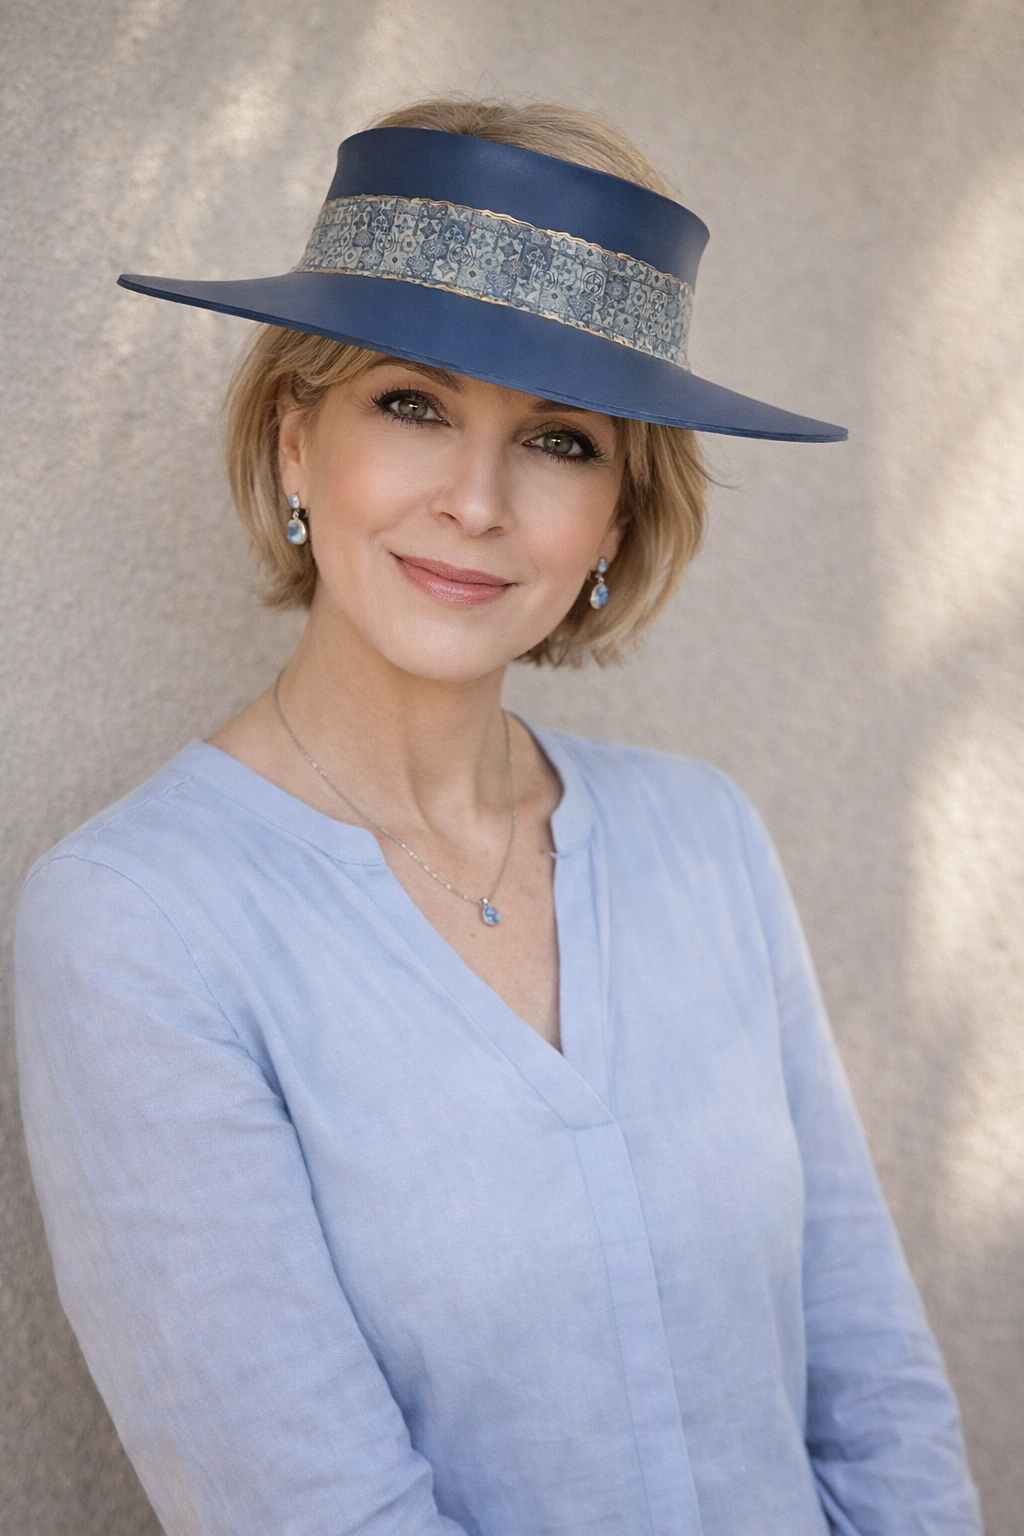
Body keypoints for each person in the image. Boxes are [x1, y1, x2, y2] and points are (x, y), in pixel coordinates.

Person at [15, 98, 981, 1536]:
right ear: (296, 441)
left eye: (560, 441)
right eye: (413, 405)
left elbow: (879, 1396)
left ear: (619, 518)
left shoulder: (705, 839)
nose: (476, 501)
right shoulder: (137, 922)